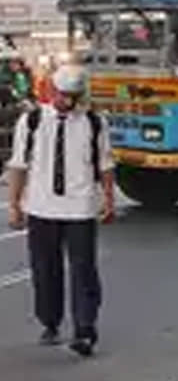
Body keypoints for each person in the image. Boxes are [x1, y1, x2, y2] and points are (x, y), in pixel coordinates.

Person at [5, 65, 114, 357]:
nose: (68, 101)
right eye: (64, 95)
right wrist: (14, 205)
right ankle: (50, 321)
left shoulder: (94, 122)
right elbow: (18, 165)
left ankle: (85, 330)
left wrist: (109, 199)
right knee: (45, 270)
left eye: (74, 96)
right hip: (41, 207)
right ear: (52, 91)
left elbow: (104, 165)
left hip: (80, 207)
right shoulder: (31, 121)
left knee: (84, 271)